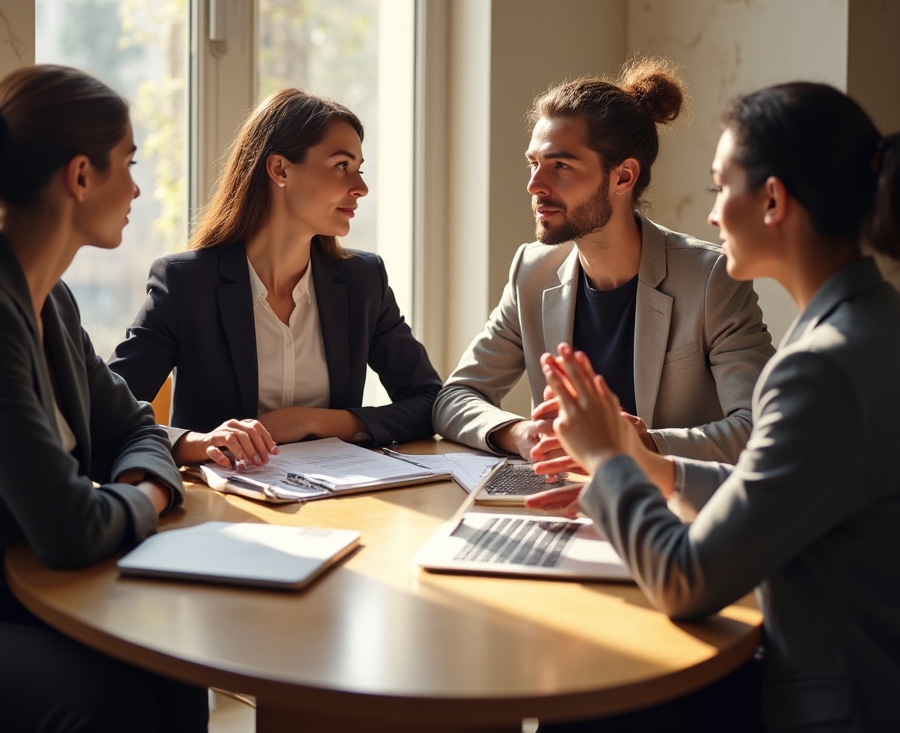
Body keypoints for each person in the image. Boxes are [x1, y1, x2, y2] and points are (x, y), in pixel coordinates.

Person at [531, 82, 900, 731]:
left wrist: (607, 461)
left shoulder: (821, 368)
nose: (709, 216)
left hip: (836, 703)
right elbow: (781, 486)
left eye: (718, 188)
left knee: (589, 694)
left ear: (773, 200)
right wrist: (650, 463)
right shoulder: (870, 324)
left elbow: (684, 582)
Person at [0, 66, 207, 733]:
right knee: (102, 705)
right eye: (129, 166)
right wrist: (151, 494)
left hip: (5, 585)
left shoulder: (49, 299)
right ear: (81, 176)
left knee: (176, 665)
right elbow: (69, 530)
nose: (137, 188)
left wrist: (141, 472)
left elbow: (136, 424)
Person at [433, 58, 774, 465]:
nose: (534, 185)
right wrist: (522, 433)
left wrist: (644, 445)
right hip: (564, 501)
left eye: (560, 166)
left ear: (623, 177)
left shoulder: (709, 277)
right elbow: (454, 398)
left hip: (672, 510)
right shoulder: (532, 271)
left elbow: (763, 425)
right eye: (533, 164)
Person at [109, 87, 440, 470]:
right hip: (225, 511)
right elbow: (106, 414)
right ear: (280, 169)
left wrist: (317, 420)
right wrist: (198, 443)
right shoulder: (186, 284)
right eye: (341, 166)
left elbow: (428, 402)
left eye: (359, 169)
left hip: (342, 502)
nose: (361, 188)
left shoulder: (363, 282)